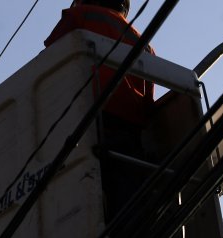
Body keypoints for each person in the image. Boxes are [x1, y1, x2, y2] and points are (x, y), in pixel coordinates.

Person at [45, 0, 157, 220]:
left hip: (91, 113)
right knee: (127, 191)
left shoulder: (80, 16)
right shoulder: (142, 42)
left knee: (86, 188)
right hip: (130, 128)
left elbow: (49, 63)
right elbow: (148, 101)